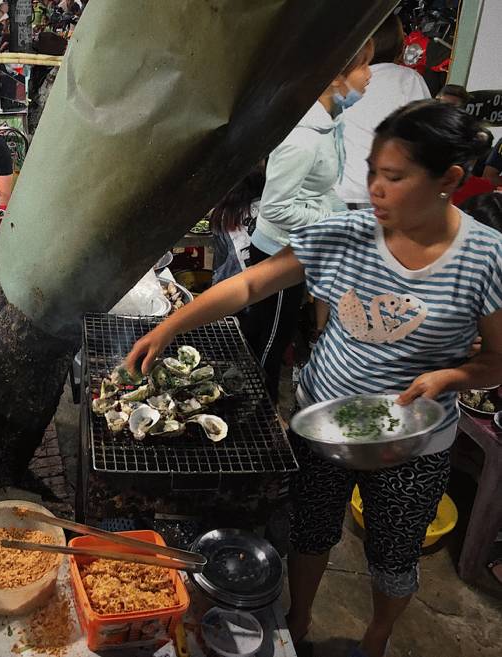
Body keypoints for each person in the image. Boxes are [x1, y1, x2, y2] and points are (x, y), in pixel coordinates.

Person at [126, 100, 501, 657]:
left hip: (411, 444)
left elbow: (496, 360)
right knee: (310, 530)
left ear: (448, 180)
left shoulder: (485, 258)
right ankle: (299, 619)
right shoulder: (346, 230)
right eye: (372, 170)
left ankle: (376, 637)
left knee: (393, 555)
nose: (374, 188)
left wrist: (450, 375)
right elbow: (253, 285)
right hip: (323, 421)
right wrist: (170, 327)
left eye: (394, 177)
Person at [242, 39, 374, 400]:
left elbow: (321, 190)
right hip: (276, 254)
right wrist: (330, 220)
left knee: (271, 334)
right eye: (364, 66)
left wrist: (341, 218)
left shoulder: (333, 121)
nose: (370, 75)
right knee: (269, 342)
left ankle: (253, 404)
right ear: (334, 77)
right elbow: (275, 209)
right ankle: (256, 414)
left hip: (299, 248)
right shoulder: (303, 138)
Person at [337, 14, 430, 208]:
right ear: (397, 41)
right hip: (383, 194)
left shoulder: (340, 80)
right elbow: (426, 136)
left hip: (336, 192)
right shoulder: (407, 79)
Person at [209, 165, 265, 285]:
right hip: (269, 284)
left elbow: (219, 266)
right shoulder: (271, 208)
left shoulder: (223, 216)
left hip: (236, 290)